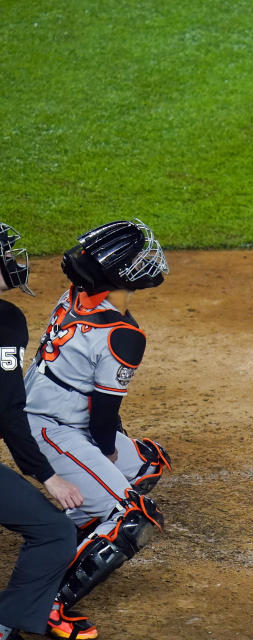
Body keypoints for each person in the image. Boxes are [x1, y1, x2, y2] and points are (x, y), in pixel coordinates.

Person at [23, 219, 172, 633]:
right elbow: (104, 420)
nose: (149, 259)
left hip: (50, 410)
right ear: (122, 274)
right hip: (51, 427)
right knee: (134, 517)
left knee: (148, 463)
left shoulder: (77, 295)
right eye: (139, 256)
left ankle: (86, 525)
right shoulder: (125, 337)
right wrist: (105, 453)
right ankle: (46, 601)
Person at [0, 222, 97, 640]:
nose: (12, 261)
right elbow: (6, 410)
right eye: (3, 255)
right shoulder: (4, 322)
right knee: (55, 532)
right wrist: (47, 475)